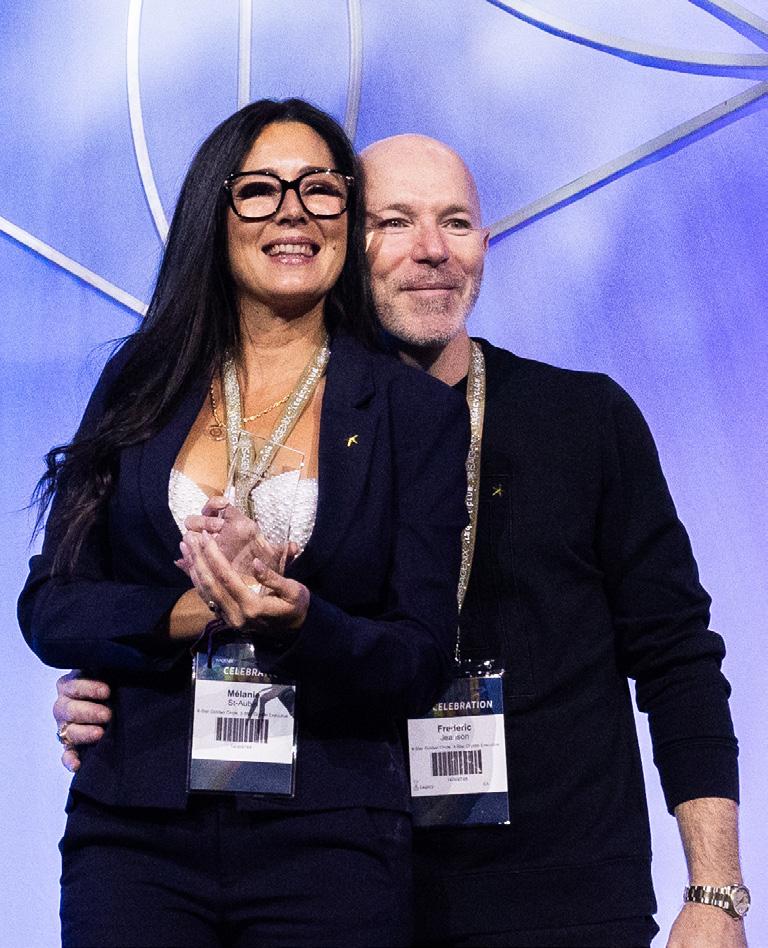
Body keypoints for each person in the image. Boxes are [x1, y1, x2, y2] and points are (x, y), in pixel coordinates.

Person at [53, 133, 747, 948]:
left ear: (485, 243)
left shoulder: (584, 418)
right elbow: (131, 591)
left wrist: (715, 889)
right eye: (394, 222)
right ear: (341, 245)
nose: (432, 251)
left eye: (456, 222)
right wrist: (123, 683)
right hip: (336, 867)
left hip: (554, 890)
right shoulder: (280, 444)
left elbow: (677, 654)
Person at [20, 102, 470, 948]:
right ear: (215, 212)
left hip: (331, 837)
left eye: (320, 190)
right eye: (260, 190)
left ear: (348, 217)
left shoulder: (411, 412)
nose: (293, 212)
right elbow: (51, 607)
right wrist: (192, 611)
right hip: (134, 831)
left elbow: (418, 656)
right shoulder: (140, 380)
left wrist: (299, 621)